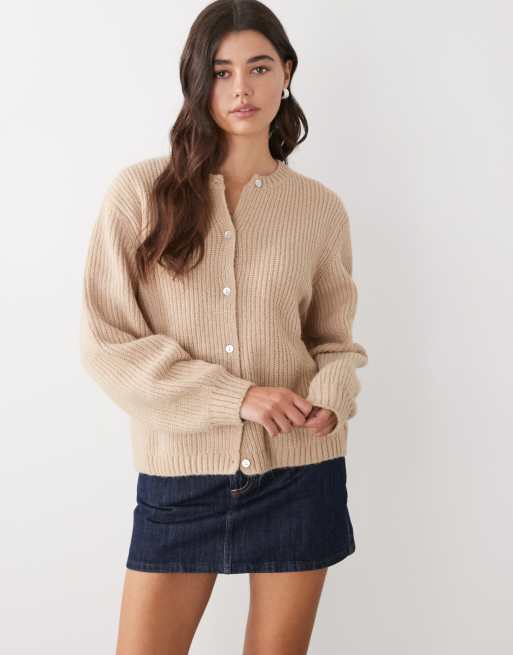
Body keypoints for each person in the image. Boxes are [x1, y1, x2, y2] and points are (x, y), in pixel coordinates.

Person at [79, 1, 368, 653]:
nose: (242, 89)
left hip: (299, 471)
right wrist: (236, 397)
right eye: (221, 71)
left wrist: (330, 395)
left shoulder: (319, 209)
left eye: (259, 68)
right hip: (179, 475)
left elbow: (334, 342)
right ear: (197, 80)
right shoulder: (140, 195)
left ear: (286, 73)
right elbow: (107, 343)